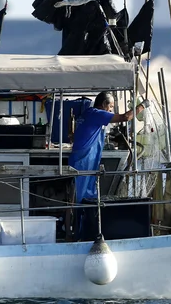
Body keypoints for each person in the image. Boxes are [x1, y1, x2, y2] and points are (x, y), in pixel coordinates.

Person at [68, 91, 145, 239]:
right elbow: (125, 117)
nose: (110, 110)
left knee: (86, 198)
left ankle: (85, 232)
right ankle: (78, 234)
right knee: (80, 200)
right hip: (84, 161)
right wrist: (142, 106)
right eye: (110, 106)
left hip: (85, 160)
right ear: (103, 104)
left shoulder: (87, 113)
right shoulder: (97, 113)